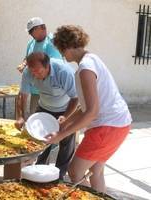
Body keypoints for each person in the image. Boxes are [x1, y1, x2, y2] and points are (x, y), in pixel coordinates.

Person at [50, 25, 132, 192]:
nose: (62, 55)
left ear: (67, 46)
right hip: (118, 124)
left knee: (75, 171)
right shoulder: (92, 59)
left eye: (61, 50)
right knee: (96, 172)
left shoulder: (86, 68)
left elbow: (91, 112)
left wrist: (61, 135)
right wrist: (66, 122)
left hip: (108, 126)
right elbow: (86, 106)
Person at [15, 52, 78, 180]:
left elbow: (75, 98)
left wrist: (66, 117)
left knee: (66, 143)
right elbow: (23, 95)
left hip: (66, 109)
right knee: (41, 140)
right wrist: (21, 116)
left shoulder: (63, 72)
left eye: (38, 72)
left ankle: (59, 176)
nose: (35, 75)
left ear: (48, 66)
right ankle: (40, 172)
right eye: (32, 72)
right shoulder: (29, 72)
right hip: (44, 107)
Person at [17, 17, 62, 115]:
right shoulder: (31, 43)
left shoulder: (51, 42)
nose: (30, 34)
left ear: (41, 28)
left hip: (50, 91)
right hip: (35, 90)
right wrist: (24, 64)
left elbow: (53, 66)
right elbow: (28, 58)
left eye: (31, 31)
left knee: (51, 120)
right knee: (35, 119)